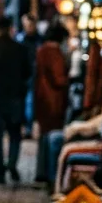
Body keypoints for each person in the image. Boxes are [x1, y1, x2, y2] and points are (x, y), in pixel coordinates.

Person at [0, 16, 33, 183]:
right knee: (14, 134)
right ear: (10, 28)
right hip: (15, 98)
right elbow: (28, 73)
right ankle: (11, 164)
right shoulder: (20, 49)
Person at [33, 22, 71, 184]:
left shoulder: (41, 51)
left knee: (44, 136)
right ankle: (50, 174)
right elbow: (58, 78)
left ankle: (42, 171)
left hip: (41, 97)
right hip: (53, 99)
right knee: (52, 136)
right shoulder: (54, 53)